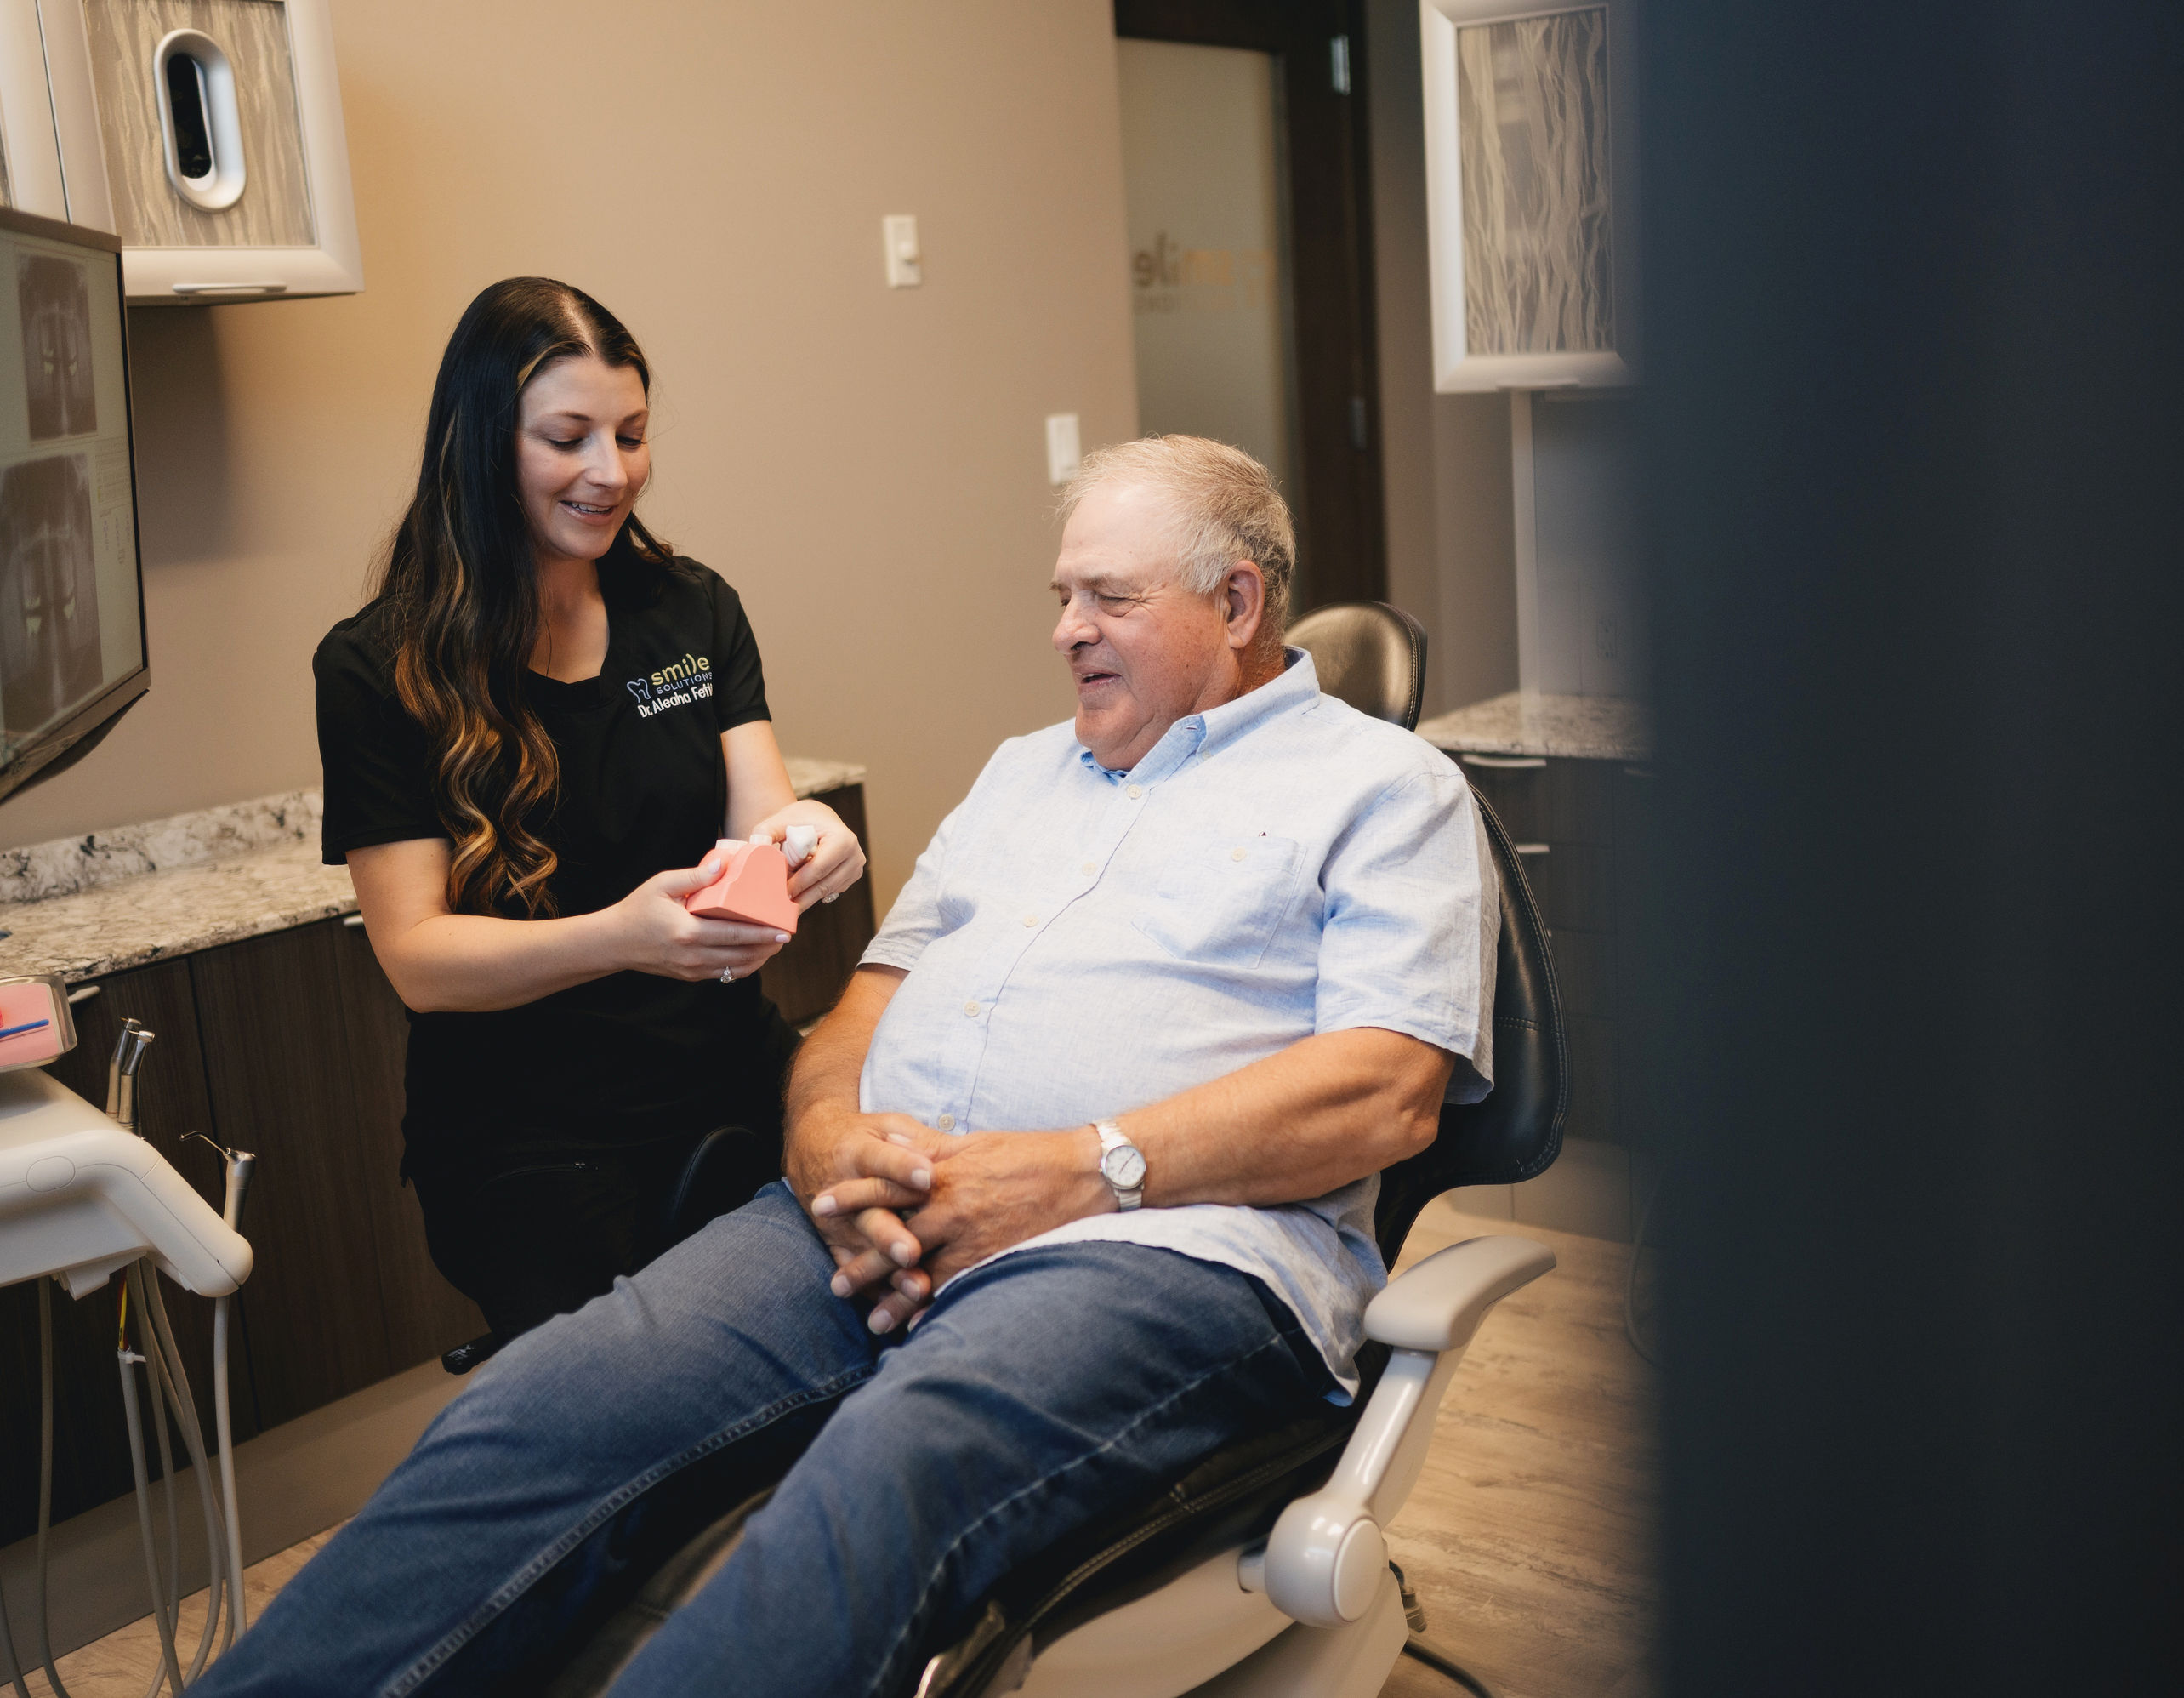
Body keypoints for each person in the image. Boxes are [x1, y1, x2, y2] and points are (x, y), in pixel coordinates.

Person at [200, 436, 1493, 1698]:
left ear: (1238, 600)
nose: (1066, 629)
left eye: (1109, 597)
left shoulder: (1385, 789)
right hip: (862, 1211)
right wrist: (819, 1137)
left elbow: (1385, 1091)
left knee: (889, 1465)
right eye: (1061, 596)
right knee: (543, 1408)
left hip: (1167, 1253)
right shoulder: (1021, 775)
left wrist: (1057, 1178)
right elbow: (863, 1008)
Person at [313, 278, 867, 1345]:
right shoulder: (378, 666)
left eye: (633, 434)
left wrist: (806, 843)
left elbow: (766, 816)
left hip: (725, 1074)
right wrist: (623, 937)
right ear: (483, 444)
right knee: (651, 1396)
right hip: (527, 1135)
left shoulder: (690, 606)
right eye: (569, 438)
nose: (611, 473)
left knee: (856, 1317)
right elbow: (417, 956)